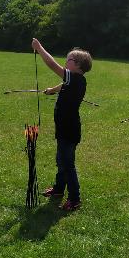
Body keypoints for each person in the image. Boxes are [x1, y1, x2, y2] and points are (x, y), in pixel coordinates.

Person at [32, 38, 92, 211]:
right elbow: (64, 84)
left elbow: (52, 64)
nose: (66, 62)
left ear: (79, 65)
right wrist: (52, 90)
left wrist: (39, 48)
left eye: (69, 60)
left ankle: (75, 199)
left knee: (67, 164)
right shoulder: (73, 80)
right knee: (61, 161)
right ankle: (59, 189)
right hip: (64, 128)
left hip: (69, 130)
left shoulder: (76, 79)